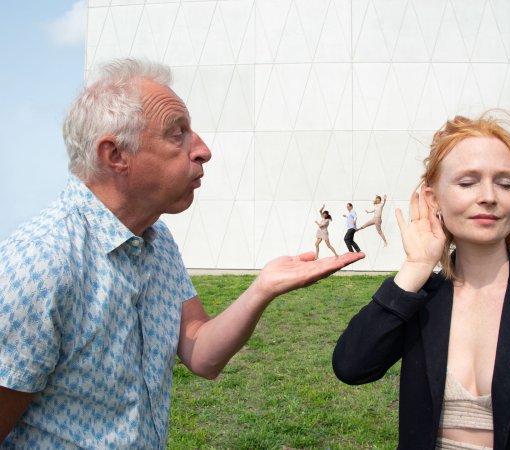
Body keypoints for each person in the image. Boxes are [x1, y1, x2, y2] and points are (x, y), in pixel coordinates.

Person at [0, 58, 364, 448]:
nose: (203, 150)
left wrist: (262, 289)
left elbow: (201, 353)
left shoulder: (157, 240)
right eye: (178, 134)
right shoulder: (38, 264)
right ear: (116, 155)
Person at [332, 114, 510, 450]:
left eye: (505, 183)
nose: (489, 196)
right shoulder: (421, 300)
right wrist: (415, 268)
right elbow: (352, 366)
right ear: (433, 199)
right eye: (467, 182)